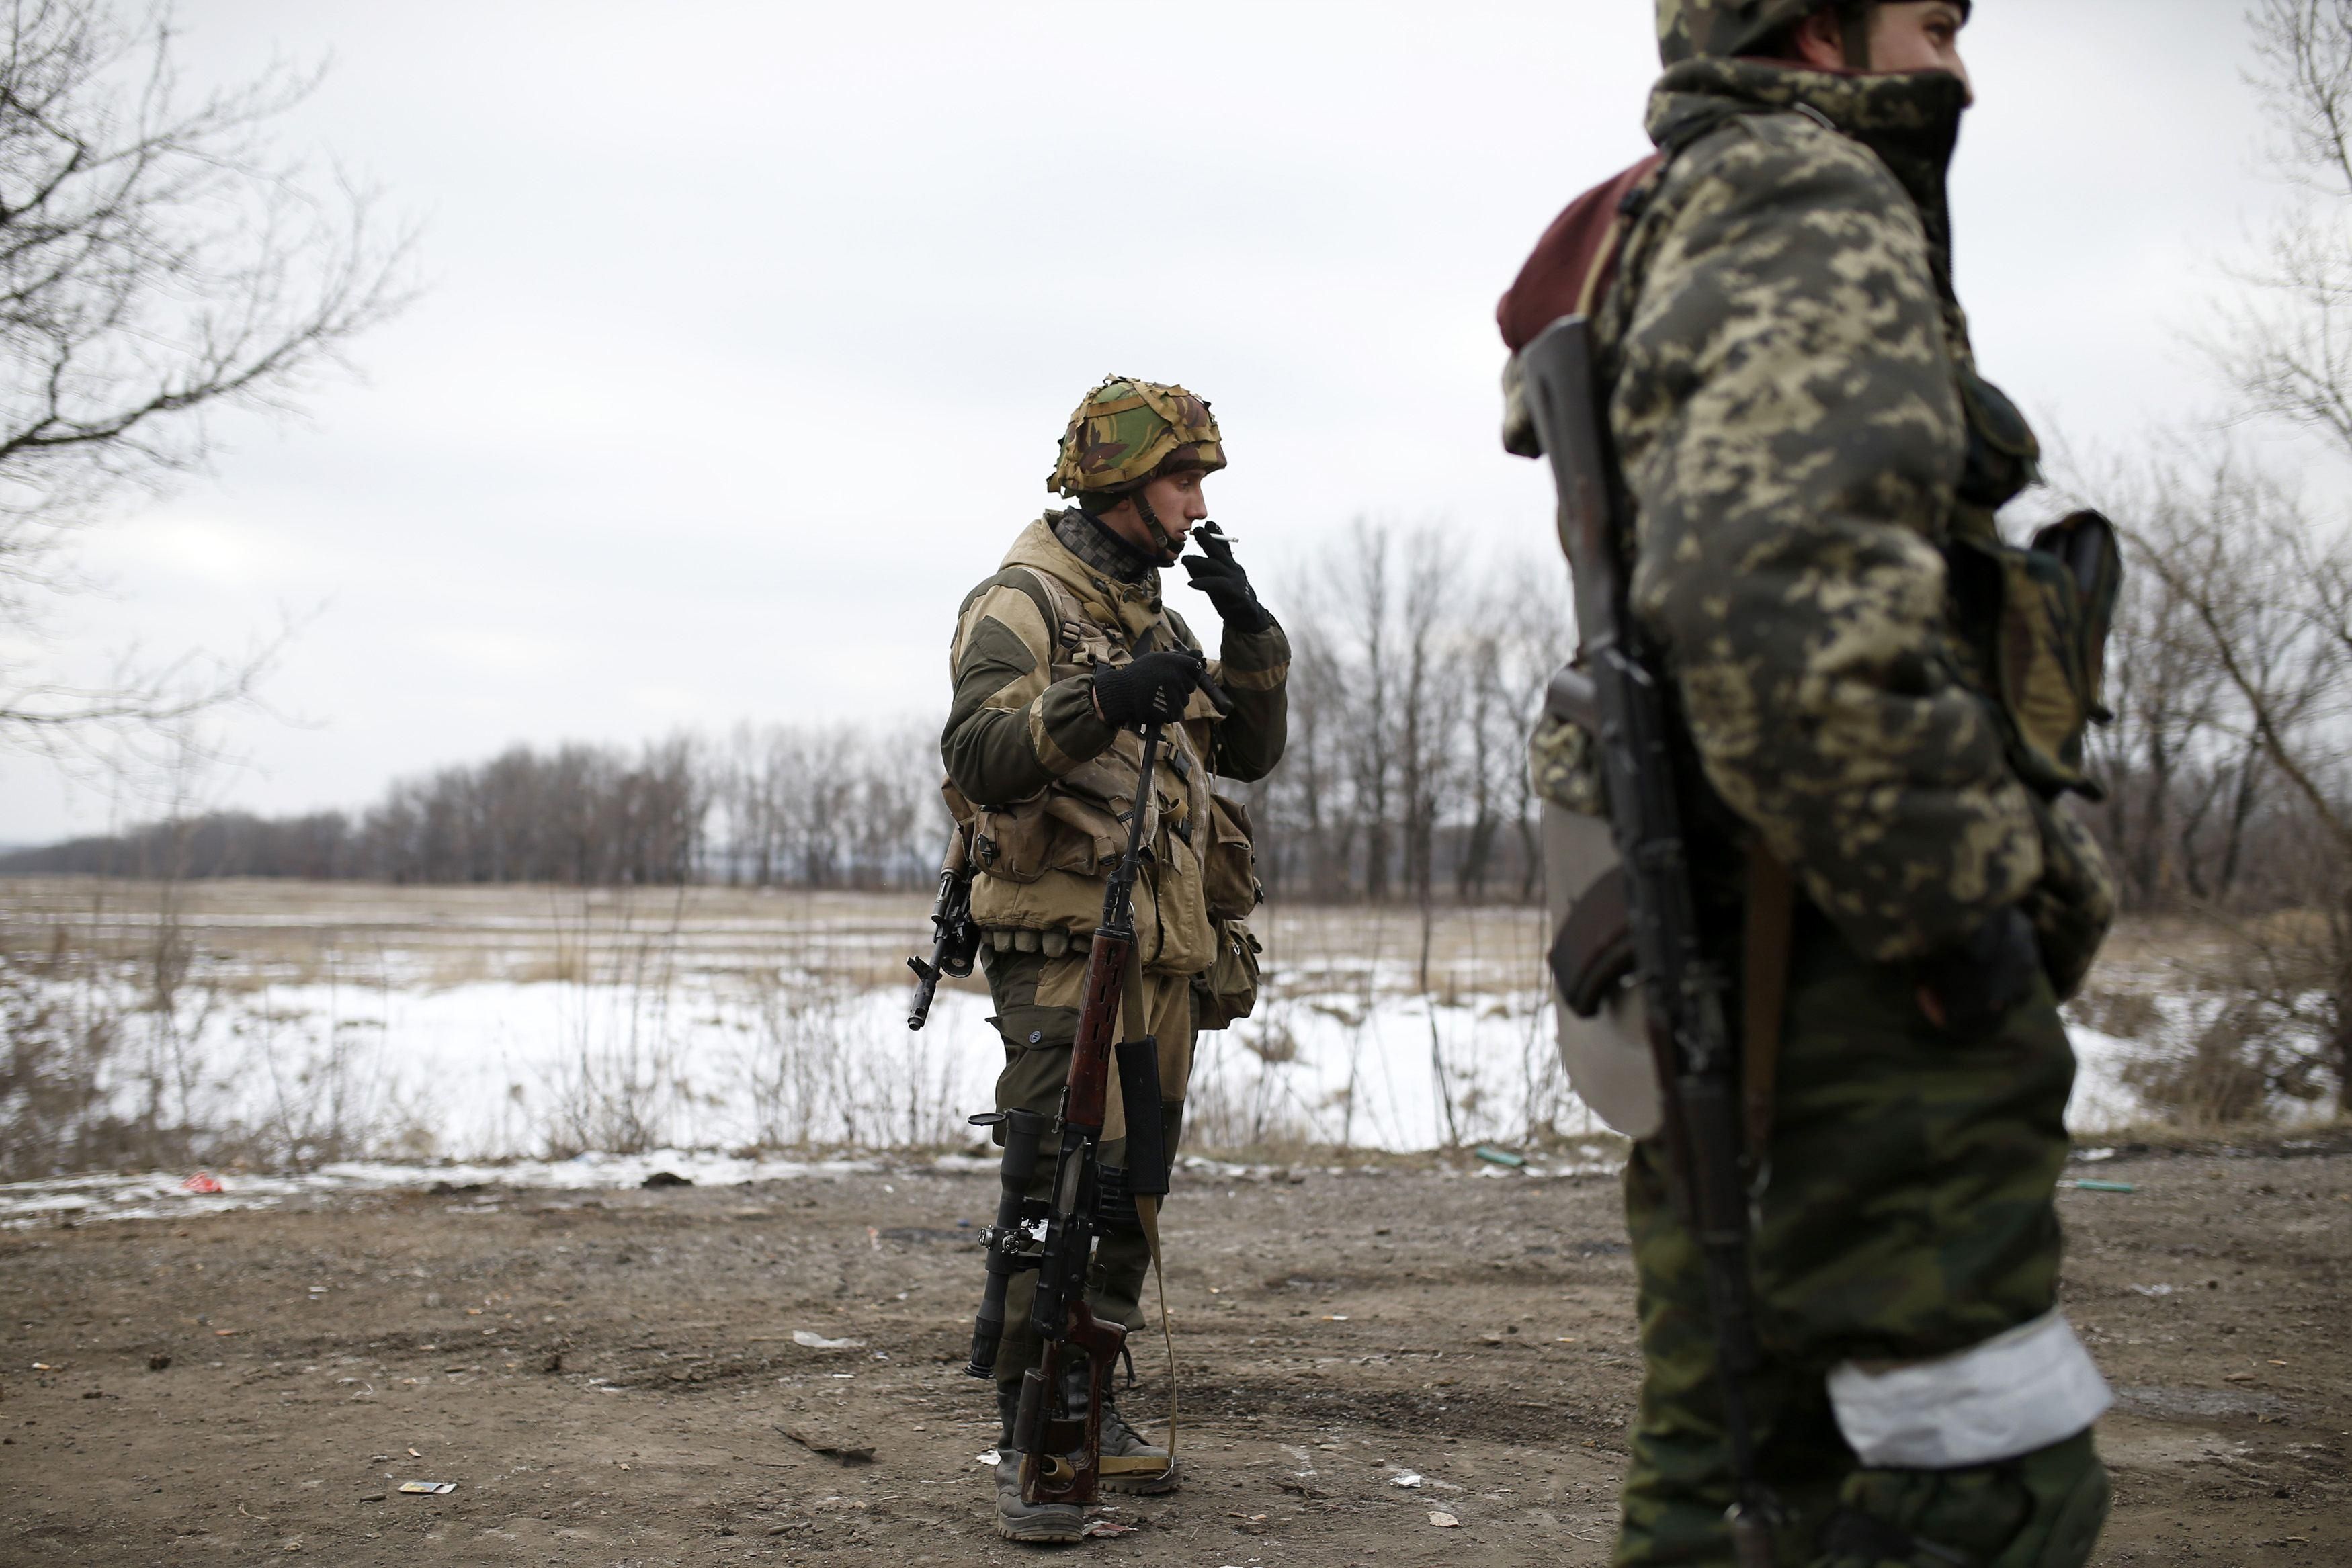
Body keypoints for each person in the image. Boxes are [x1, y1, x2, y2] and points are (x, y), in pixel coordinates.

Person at [1497, 3, 2121, 1565]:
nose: (1958, 64)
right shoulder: (1802, 189)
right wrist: (1969, 909)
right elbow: (1775, 601)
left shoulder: (1674, 216)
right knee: (1983, 1487)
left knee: (1728, 1469)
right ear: (1820, 27)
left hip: (1741, 949)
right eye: (1930, 21)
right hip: (1850, 965)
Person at [941, 375, 1288, 1543]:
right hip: (1063, 952)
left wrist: (1248, 635)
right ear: (1118, 480)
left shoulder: (1162, 618)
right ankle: (1033, 1440)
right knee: (1055, 1187)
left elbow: (1247, 750)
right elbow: (983, 751)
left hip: (1163, 950)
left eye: (1200, 483)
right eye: (1182, 480)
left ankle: (1092, 1397)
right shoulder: (1022, 600)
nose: (1197, 505)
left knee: (1132, 1192)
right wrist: (1100, 699)